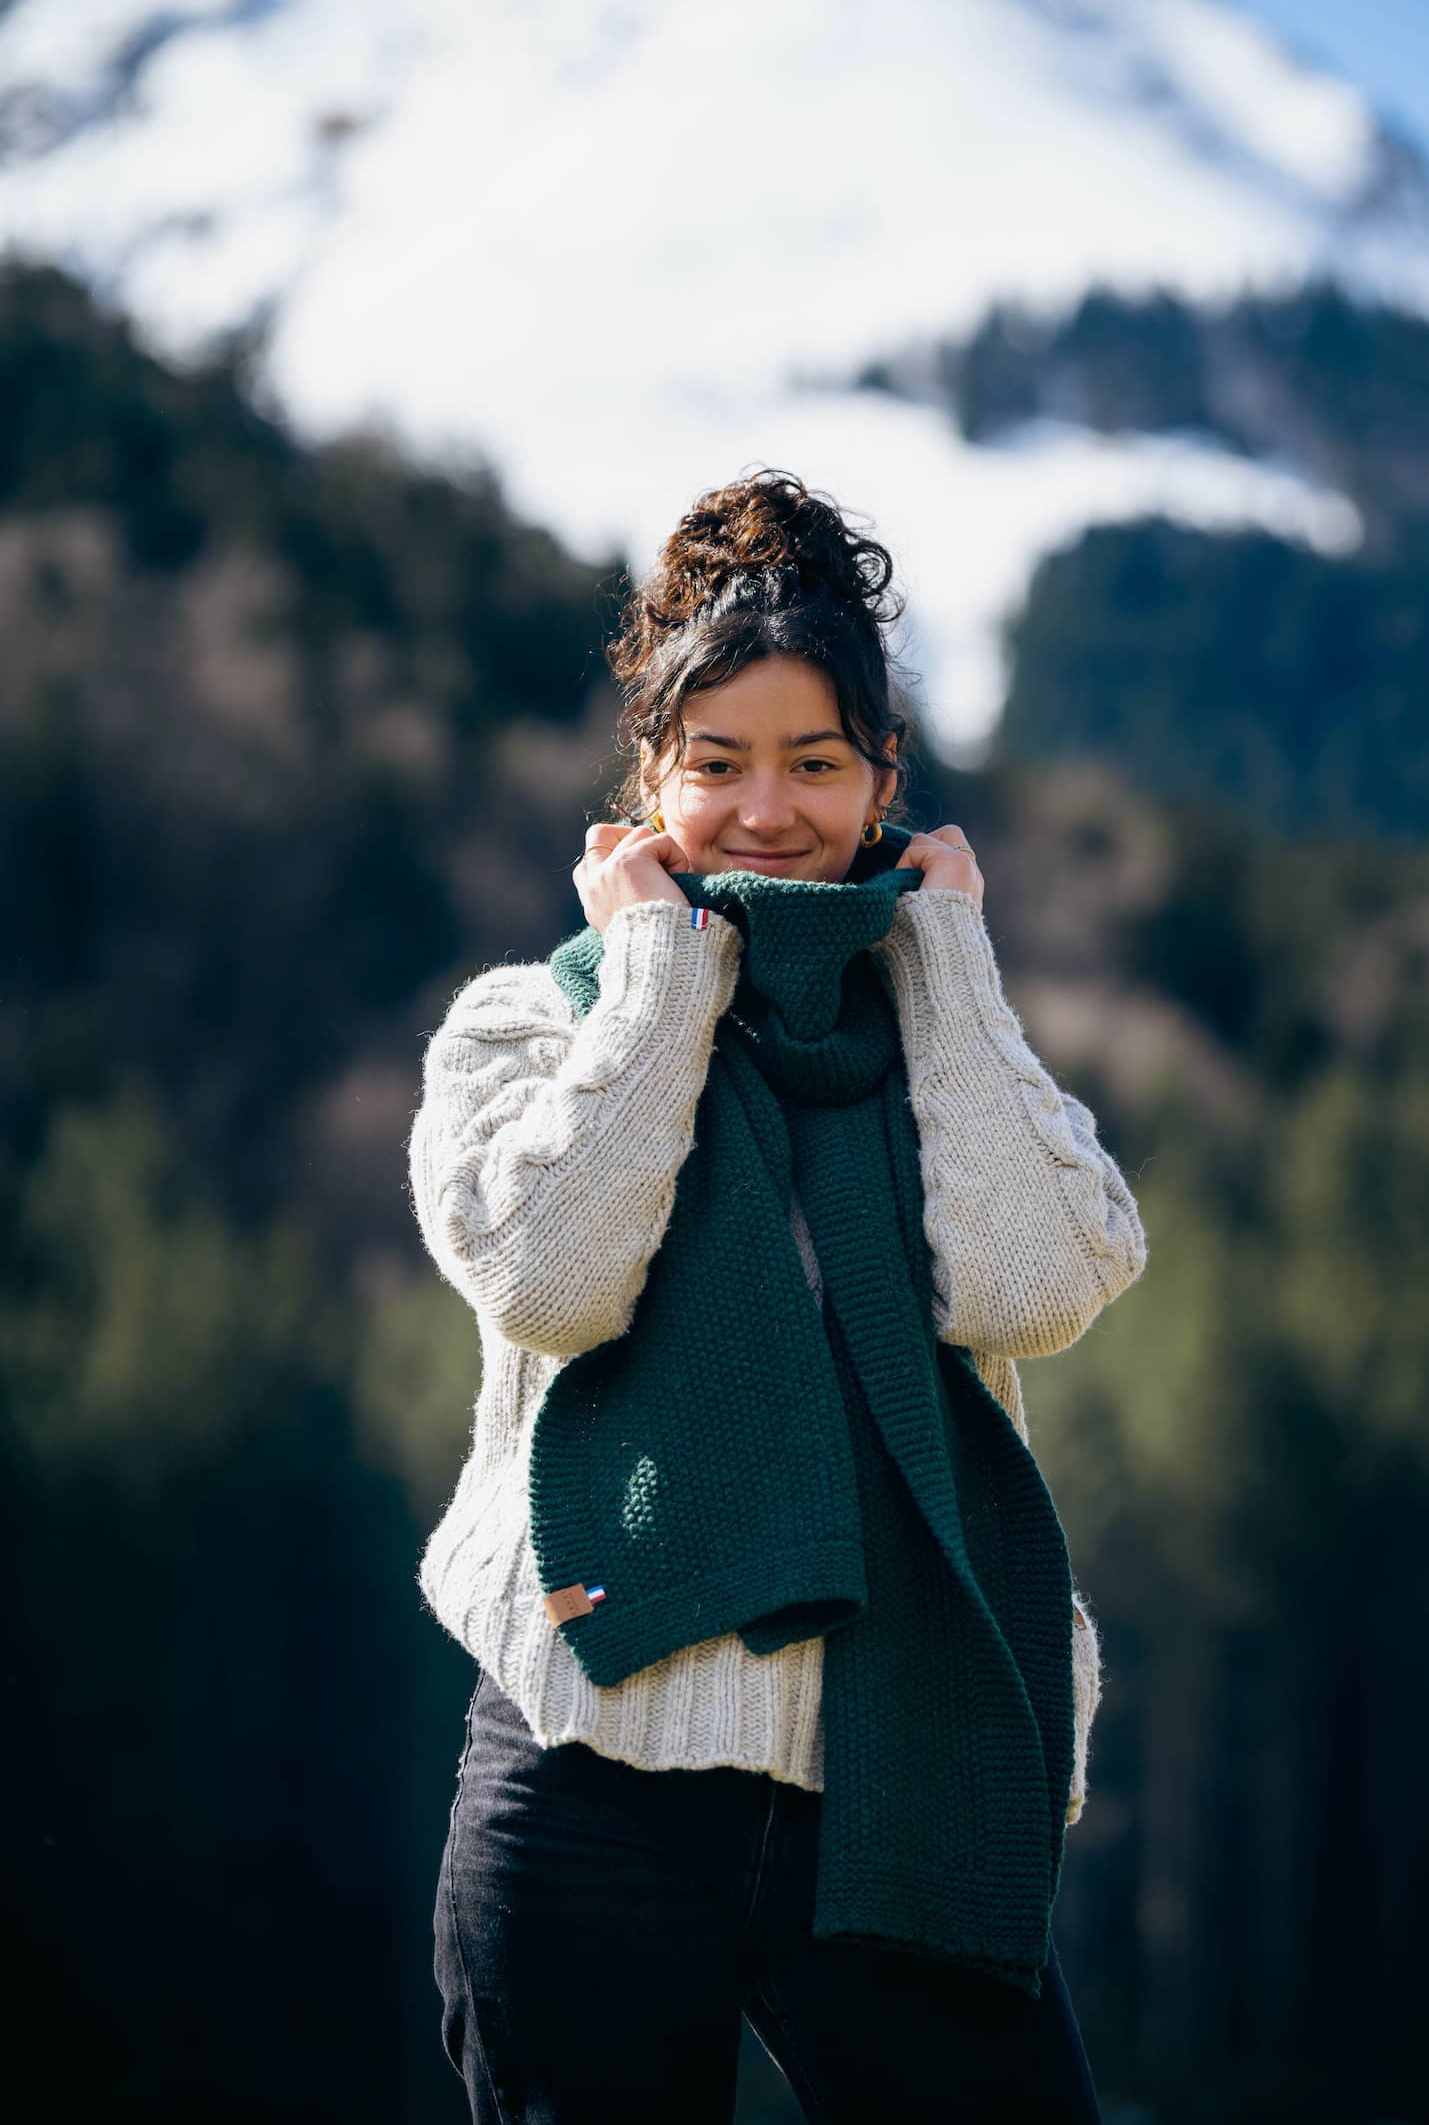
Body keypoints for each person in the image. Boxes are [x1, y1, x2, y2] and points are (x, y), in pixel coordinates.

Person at [406, 467, 1148, 2123]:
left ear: (886, 776)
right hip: (586, 1777)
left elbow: (1037, 1284)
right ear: (647, 779)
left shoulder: (940, 1041)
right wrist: (662, 981)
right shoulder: (529, 1025)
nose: (765, 809)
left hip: (895, 1773)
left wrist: (948, 965)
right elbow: (553, 1276)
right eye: (716, 763)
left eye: (815, 762)